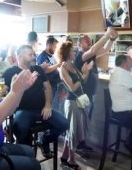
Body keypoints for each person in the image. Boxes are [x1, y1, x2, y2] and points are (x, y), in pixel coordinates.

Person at [2, 45, 69, 158]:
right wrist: (2, 91)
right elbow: (4, 91)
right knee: (20, 127)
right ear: (19, 57)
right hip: (23, 110)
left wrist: (48, 105)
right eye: (30, 55)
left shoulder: (37, 69)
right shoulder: (10, 72)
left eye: (34, 54)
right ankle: (26, 155)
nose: (34, 57)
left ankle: (44, 141)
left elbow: (47, 87)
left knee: (64, 124)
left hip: (42, 109)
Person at [57, 41, 94, 170]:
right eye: (73, 51)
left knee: (73, 131)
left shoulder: (72, 65)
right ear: (67, 53)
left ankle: (64, 156)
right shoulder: (63, 68)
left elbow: (83, 81)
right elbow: (72, 87)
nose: (75, 52)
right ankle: (72, 161)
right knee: (73, 133)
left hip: (78, 102)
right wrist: (82, 75)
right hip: (71, 103)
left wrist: (86, 71)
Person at [74, 27, 118, 120]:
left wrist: (111, 39)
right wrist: (106, 35)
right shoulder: (80, 56)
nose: (90, 42)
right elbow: (93, 50)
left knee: (87, 117)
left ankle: (86, 133)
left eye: (90, 40)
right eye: (87, 41)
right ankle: (83, 134)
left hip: (89, 93)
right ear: (79, 44)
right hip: (82, 94)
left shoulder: (90, 54)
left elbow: (105, 49)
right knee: (83, 118)